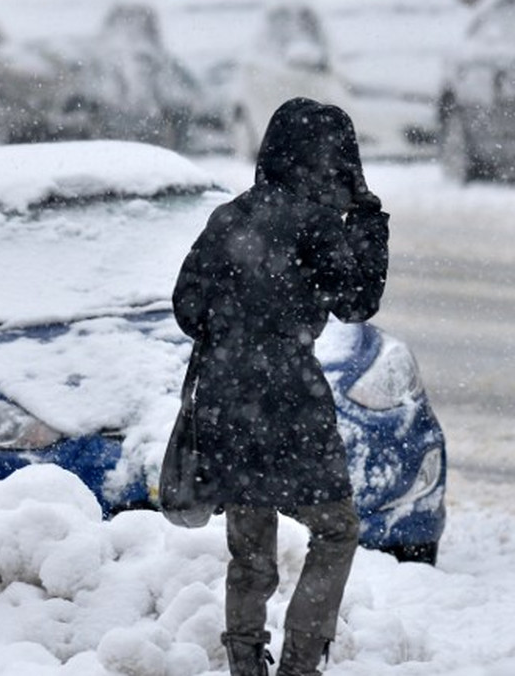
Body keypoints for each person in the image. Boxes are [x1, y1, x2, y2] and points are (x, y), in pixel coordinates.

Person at [171, 97, 389, 676]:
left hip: (226, 399)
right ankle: (298, 664)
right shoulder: (316, 223)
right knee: (337, 529)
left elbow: (187, 307)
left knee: (250, 542)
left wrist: (237, 328)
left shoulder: (228, 217)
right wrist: (368, 219)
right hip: (290, 398)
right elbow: (359, 302)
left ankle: (245, 659)